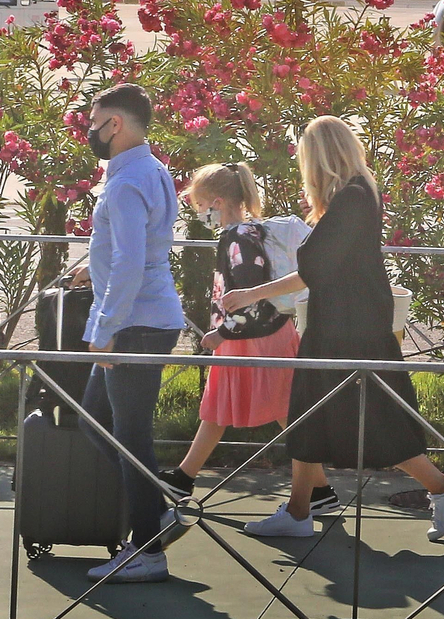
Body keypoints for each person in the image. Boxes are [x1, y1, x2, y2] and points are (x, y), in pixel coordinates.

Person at [227, 116, 444, 540]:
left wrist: (252, 293)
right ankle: (299, 511)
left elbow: (314, 267)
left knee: (371, 418)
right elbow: (321, 267)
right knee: (312, 415)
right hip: (344, 325)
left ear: (319, 158)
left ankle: (443, 487)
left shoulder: (352, 199)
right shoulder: (358, 194)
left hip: (349, 329)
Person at [155, 162, 339, 515]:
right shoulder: (253, 231)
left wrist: (221, 332)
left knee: (268, 411)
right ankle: (318, 490)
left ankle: (185, 477)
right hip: (270, 332)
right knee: (245, 408)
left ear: (218, 202)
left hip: (250, 338)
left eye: (200, 205)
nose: (199, 213)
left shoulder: (236, 239)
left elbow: (246, 296)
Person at [73, 84, 190, 583]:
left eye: (93, 122)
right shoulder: (151, 169)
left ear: (114, 124)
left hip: (134, 325)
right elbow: (133, 247)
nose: (89, 131)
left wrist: (105, 328)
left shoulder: (124, 182)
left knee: (129, 434)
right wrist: (93, 267)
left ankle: (147, 549)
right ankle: (156, 514)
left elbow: (128, 263)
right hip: (143, 318)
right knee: (98, 419)